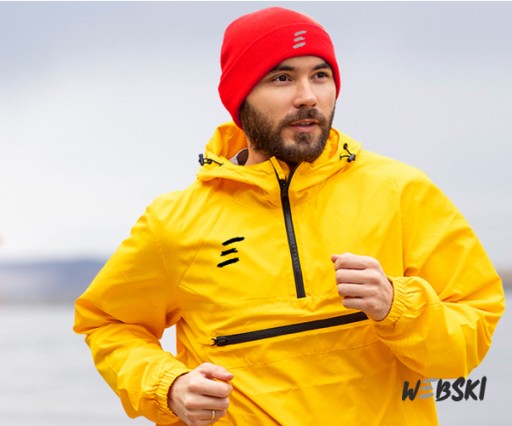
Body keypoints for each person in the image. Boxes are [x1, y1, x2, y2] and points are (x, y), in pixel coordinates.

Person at [74, 7, 505, 426]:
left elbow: (468, 340)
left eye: (320, 75)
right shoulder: (174, 221)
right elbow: (109, 324)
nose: (308, 96)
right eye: (282, 78)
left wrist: (397, 306)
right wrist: (169, 386)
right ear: (240, 98)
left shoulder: (401, 192)